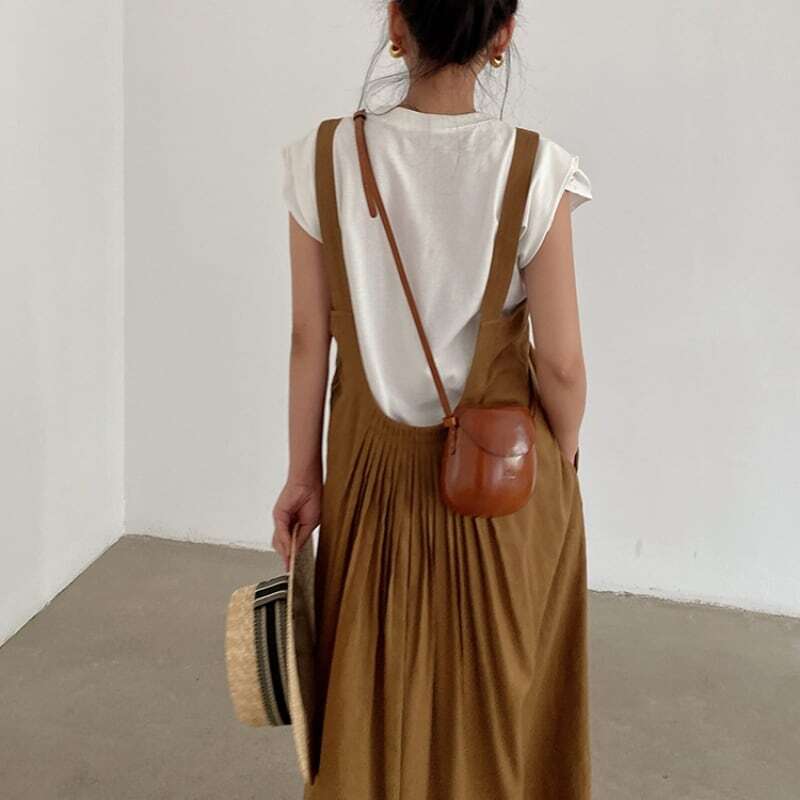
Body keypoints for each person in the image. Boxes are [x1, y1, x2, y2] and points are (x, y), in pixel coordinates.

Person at [274, 0, 592, 796]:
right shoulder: (535, 168)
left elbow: (310, 337)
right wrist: (565, 455)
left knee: (370, 694)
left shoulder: (324, 156)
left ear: (396, 22)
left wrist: (303, 475)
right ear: (502, 34)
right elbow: (561, 366)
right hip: (497, 484)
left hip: (366, 478)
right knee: (498, 704)